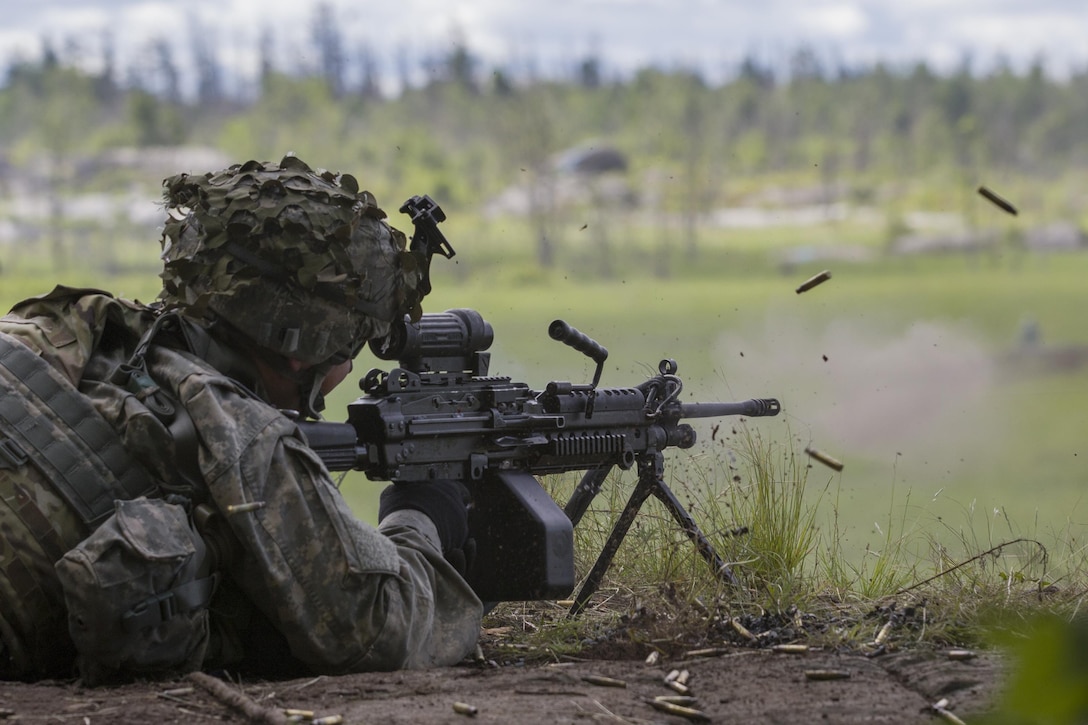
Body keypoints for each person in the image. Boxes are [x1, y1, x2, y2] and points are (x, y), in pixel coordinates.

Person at [0, 155, 482, 683]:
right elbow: (378, 629)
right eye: (356, 341)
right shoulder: (242, 439)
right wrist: (420, 518)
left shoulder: (51, 324)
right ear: (307, 351)